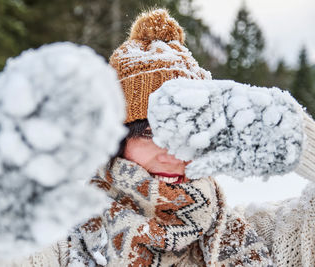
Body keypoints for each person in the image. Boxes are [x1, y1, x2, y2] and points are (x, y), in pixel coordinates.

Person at [31, 9, 315, 266]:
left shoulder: (253, 236)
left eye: (187, 133)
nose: (173, 153)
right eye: (150, 133)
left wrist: (293, 132)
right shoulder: (63, 241)